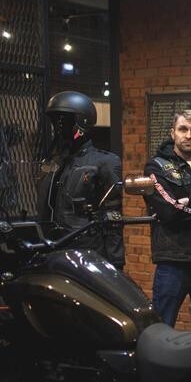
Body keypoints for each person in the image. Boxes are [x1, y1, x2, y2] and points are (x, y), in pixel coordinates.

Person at [37, 91, 124, 269]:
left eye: (65, 121)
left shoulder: (104, 162)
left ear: (82, 123)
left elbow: (113, 217)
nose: (59, 127)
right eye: (56, 121)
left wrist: (115, 264)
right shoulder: (53, 163)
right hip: (51, 248)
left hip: (87, 254)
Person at [143, 110, 191, 329]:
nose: (188, 135)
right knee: (160, 326)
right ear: (173, 133)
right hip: (173, 260)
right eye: (183, 129)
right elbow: (168, 212)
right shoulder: (155, 166)